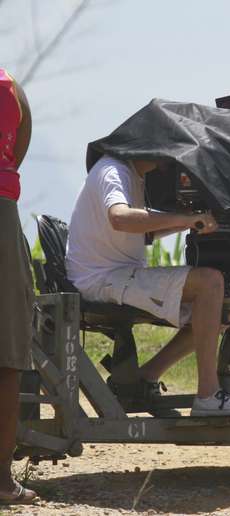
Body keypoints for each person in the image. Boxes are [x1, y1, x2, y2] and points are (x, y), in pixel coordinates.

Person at [66, 155, 230, 417]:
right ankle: (208, 395)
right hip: (102, 279)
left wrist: (186, 221)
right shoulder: (112, 170)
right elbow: (120, 218)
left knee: (221, 310)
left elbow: (140, 231)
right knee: (210, 283)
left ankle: (145, 378)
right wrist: (183, 219)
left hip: (115, 275)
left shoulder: (132, 175)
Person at [0, 69, 37, 504]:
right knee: (6, 352)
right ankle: (2, 480)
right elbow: (17, 152)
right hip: (2, 216)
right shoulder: (12, 90)